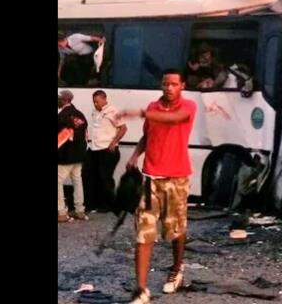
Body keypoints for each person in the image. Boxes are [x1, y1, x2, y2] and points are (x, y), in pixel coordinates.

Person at [118, 69, 198, 303]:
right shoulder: (153, 107)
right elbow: (148, 136)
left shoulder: (188, 106)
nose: (168, 88)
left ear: (182, 85)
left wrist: (139, 113)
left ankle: (176, 269)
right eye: (165, 83)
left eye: (173, 84)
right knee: (144, 232)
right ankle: (141, 289)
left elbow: (173, 119)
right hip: (150, 178)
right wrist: (134, 156)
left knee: (175, 229)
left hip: (177, 178)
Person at [84, 90, 127, 212]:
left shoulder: (113, 111)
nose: (95, 104)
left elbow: (123, 128)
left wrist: (114, 142)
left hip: (107, 149)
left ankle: (107, 205)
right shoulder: (94, 111)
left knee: (105, 177)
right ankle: (91, 203)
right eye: (94, 102)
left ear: (104, 99)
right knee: (89, 175)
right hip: (94, 148)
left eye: (97, 101)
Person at [58, 90, 89, 222]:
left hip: (66, 156)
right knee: (77, 181)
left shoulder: (62, 116)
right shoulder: (80, 114)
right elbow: (86, 136)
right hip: (79, 155)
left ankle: (61, 212)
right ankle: (80, 210)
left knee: (58, 182)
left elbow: (61, 139)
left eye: (59, 98)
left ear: (65, 99)